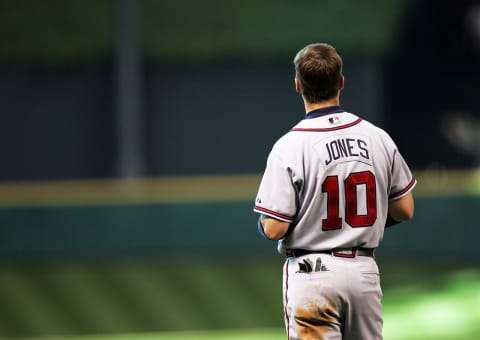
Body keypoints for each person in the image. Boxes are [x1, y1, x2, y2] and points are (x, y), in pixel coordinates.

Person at [253, 43, 416, 340]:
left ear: (298, 85)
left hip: (311, 275)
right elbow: (405, 209)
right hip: (363, 272)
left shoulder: (289, 146)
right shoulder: (377, 137)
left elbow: (275, 228)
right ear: (341, 82)